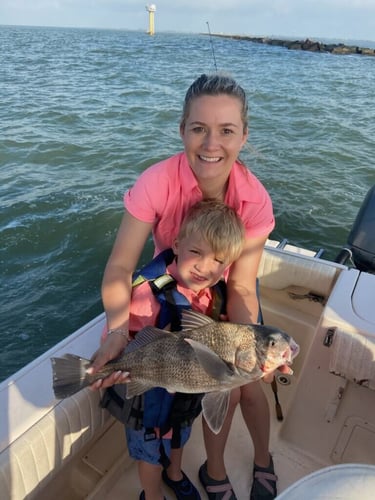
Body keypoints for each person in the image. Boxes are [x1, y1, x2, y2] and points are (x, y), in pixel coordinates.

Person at [89, 73, 291, 500]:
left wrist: (248, 348)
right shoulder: (157, 182)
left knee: (247, 384)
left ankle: (253, 461)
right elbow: (120, 265)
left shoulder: (254, 200)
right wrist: (114, 332)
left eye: (226, 131)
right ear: (182, 130)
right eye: (199, 128)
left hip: (224, 287)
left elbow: (241, 287)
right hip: (177, 282)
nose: (211, 143)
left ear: (244, 135)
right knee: (217, 383)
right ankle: (210, 472)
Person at [108, 199, 245, 500]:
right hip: (150, 390)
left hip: (187, 386)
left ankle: (175, 473)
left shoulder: (215, 294)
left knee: (181, 433)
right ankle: (153, 494)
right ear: (177, 243)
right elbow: (134, 341)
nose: (204, 266)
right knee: (150, 450)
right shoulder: (148, 291)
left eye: (218, 261)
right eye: (196, 252)